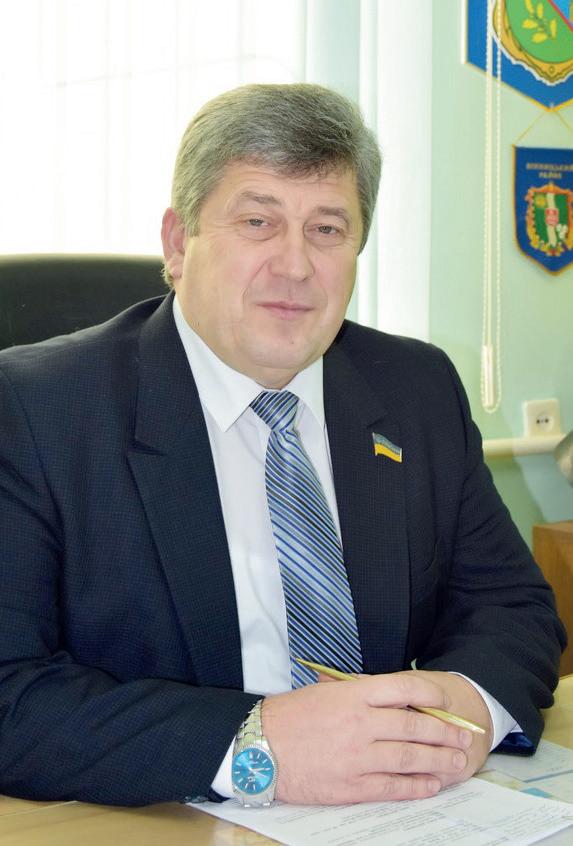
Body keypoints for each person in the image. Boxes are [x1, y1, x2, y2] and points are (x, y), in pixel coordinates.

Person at [0, 83, 565, 809]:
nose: (295, 266)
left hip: (400, 809)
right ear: (178, 242)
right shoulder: (36, 410)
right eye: (257, 221)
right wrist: (255, 746)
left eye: (327, 229)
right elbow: (11, 696)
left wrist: (463, 705)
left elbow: (511, 606)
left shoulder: (415, 386)